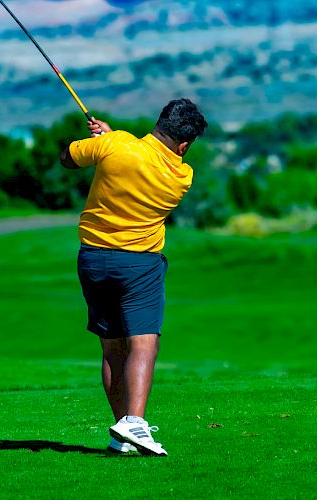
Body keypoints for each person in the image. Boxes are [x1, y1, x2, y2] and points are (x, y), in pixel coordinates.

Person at [60, 98, 208, 456]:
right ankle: (135, 423)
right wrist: (111, 141)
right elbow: (139, 161)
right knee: (143, 344)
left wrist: (102, 142)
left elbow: (68, 158)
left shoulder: (115, 145)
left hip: (93, 260)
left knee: (112, 347)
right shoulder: (181, 176)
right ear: (184, 145)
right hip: (139, 265)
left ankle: (120, 437)